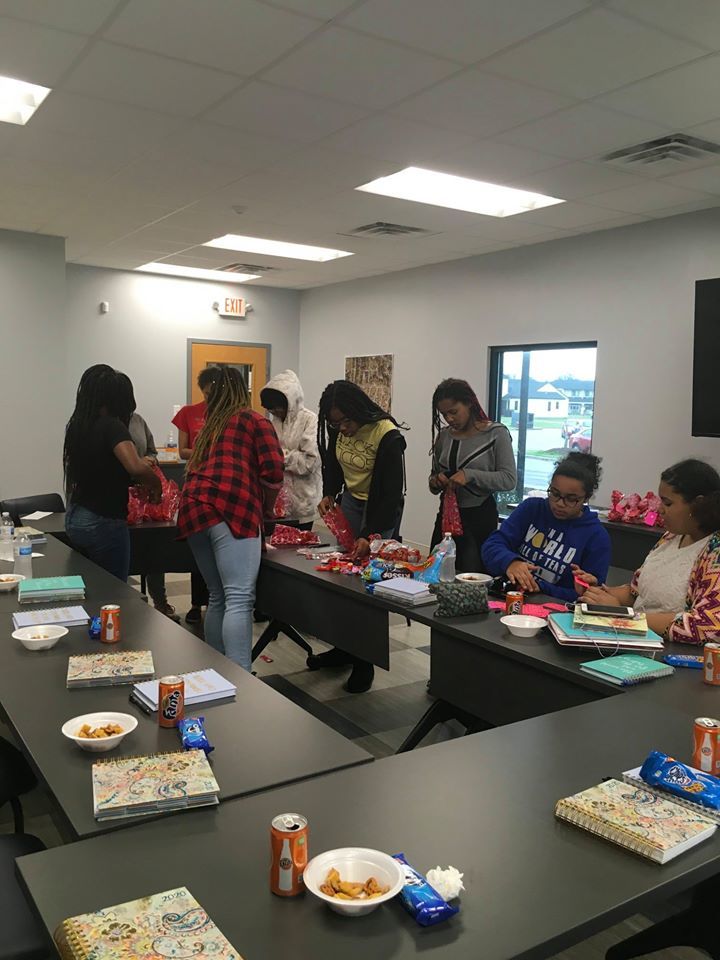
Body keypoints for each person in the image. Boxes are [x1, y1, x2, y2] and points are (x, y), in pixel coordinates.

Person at [177, 367, 284, 670]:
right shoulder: (254, 420)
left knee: (218, 595)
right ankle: (241, 677)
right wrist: (268, 508)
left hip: (194, 508)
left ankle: (218, 671)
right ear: (242, 392)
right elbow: (274, 471)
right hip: (231, 508)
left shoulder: (213, 425)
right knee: (239, 598)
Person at [311, 379, 407, 693]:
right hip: (352, 501)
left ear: (359, 412)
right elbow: (333, 465)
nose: (342, 429)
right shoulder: (338, 430)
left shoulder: (387, 435)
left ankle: (365, 660)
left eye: (347, 421)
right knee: (344, 578)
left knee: (368, 584)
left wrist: (371, 533)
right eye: (334, 423)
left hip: (381, 507)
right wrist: (330, 494)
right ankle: (344, 648)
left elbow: (391, 494)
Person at [575, 459, 720, 643]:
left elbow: (707, 626)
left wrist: (624, 617)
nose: (660, 509)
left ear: (697, 504)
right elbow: (637, 593)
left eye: (668, 503)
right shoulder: (670, 537)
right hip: (635, 638)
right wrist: (598, 593)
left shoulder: (714, 552)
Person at [64, 365, 161, 582]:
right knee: (114, 590)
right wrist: (156, 484)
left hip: (76, 515)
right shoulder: (113, 426)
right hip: (103, 520)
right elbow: (135, 466)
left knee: (91, 586)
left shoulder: (78, 426)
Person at [481, 452, 610, 600]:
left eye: (571, 499)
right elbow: (491, 545)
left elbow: (591, 596)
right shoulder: (532, 509)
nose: (560, 503)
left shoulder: (596, 537)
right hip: (510, 598)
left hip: (553, 611)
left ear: (586, 498)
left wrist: (542, 587)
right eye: (554, 494)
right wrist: (511, 562)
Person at [429, 378, 516, 573]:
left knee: (473, 578)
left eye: (453, 412)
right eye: (444, 414)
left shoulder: (495, 433)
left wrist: (470, 475)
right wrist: (437, 481)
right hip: (446, 516)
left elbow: (509, 479)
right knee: (436, 574)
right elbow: (432, 479)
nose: (449, 419)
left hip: (479, 517)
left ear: (469, 403)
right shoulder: (444, 436)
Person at [119, 374, 180, 622]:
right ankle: (123, 605)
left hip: (148, 497)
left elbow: (153, 451)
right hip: (121, 498)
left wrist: (148, 460)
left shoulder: (138, 421)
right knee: (124, 553)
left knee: (154, 549)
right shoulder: (108, 425)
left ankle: (160, 601)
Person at [172, 366, 220, 624]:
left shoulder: (228, 415)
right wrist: (209, 452)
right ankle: (196, 603)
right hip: (197, 485)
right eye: (207, 390)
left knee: (220, 550)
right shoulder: (188, 413)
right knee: (199, 550)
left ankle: (217, 603)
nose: (210, 395)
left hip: (222, 487)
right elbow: (182, 451)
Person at [260, 370, 322, 529]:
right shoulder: (273, 422)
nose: (274, 413)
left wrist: (278, 457)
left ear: (289, 402)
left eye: (277, 409)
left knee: (299, 547)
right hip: (275, 501)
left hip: (303, 501)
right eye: (271, 410)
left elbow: (309, 462)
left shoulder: (310, 419)